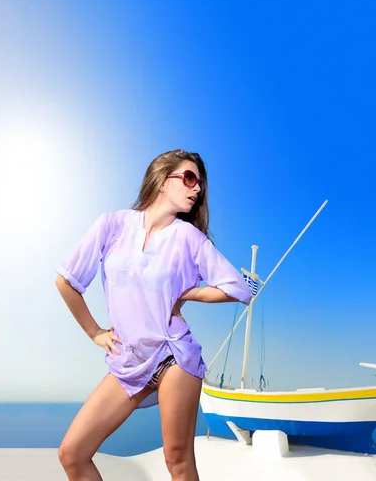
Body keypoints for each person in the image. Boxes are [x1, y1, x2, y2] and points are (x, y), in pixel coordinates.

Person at [54, 149, 252, 481]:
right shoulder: (112, 224)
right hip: (128, 359)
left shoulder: (189, 238)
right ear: (162, 178)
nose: (197, 189)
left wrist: (189, 293)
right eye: (189, 178)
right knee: (72, 453)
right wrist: (95, 332)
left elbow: (237, 288)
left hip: (174, 356)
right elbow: (66, 281)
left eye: (200, 184)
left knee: (177, 460)